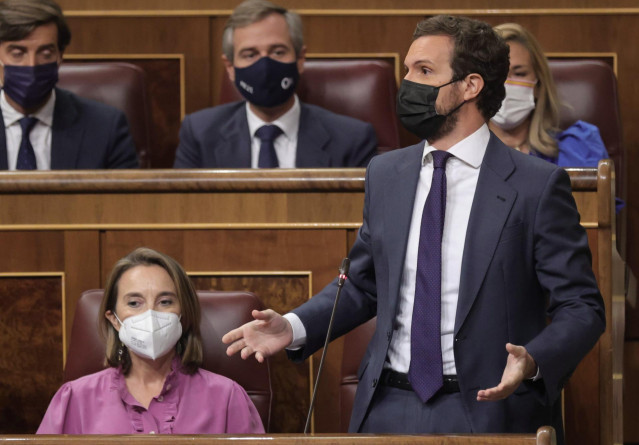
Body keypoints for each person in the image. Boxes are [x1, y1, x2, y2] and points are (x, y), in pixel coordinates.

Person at [222, 15, 605, 443]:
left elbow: (582, 307)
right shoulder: (387, 173)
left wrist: (533, 359)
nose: (407, 84)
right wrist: (293, 326)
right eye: (407, 70)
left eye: (424, 71)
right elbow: (364, 284)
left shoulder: (535, 186)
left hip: (487, 406)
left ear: (470, 86)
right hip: (386, 404)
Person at [37, 247, 264, 434]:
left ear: (182, 314)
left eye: (165, 302)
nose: (150, 314)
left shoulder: (227, 397)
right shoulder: (75, 398)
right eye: (134, 303)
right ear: (114, 320)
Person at [173, 0, 377, 169]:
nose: (265, 66)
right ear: (230, 67)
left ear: (300, 59)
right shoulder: (199, 133)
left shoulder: (352, 138)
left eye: (278, 52)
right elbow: (183, 211)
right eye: (250, 54)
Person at [0, 0, 138, 170]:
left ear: (60, 57)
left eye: (45, 54)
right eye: (17, 54)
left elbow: (127, 197)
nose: (32, 65)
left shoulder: (105, 128)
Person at [489, 23, 608, 167]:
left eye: (519, 73)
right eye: (497, 74)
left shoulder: (577, 149)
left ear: (539, 85)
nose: (507, 84)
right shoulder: (459, 152)